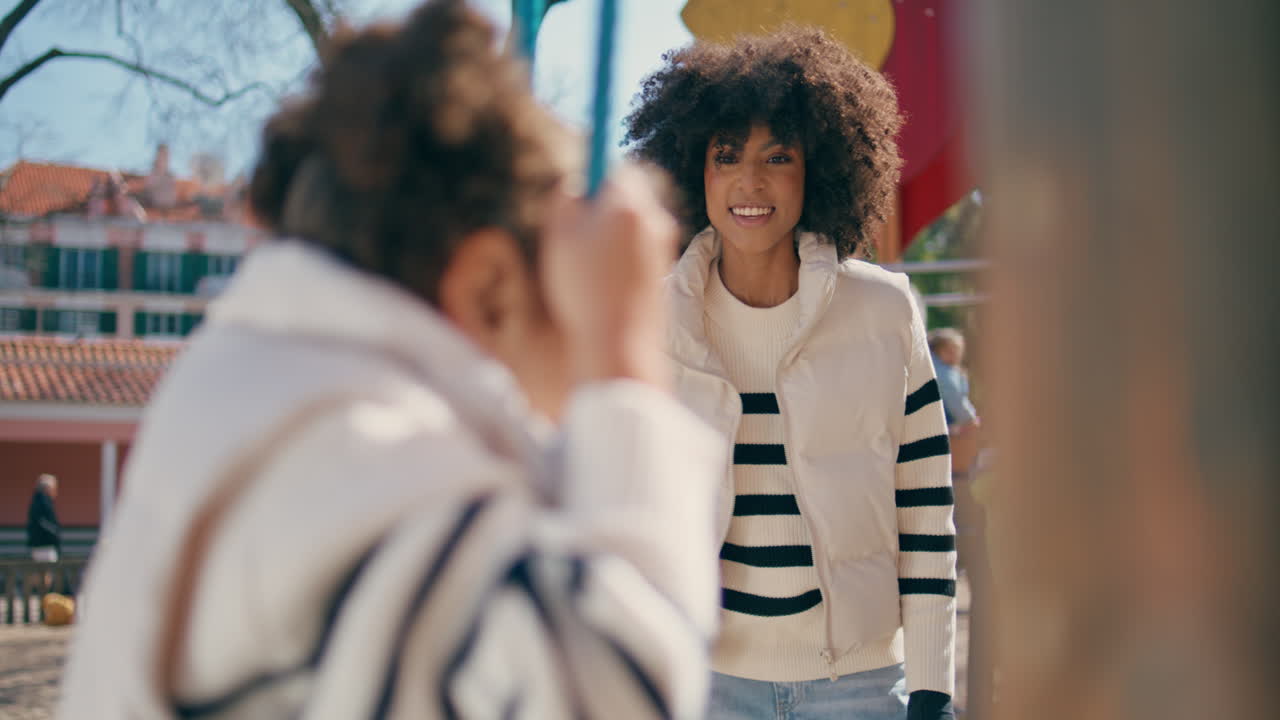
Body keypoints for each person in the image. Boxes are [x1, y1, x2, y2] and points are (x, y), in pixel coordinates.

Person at [59, 2, 723, 718]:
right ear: (488, 286)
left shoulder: (269, 392)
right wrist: (619, 347)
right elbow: (619, 698)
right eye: (562, 276)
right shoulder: (350, 444)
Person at [625, 27, 957, 720]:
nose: (750, 181)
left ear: (820, 170)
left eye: (779, 156)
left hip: (861, 690)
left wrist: (931, 688)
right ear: (694, 172)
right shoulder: (652, 321)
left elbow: (926, 511)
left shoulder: (884, 311)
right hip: (705, 687)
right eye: (726, 156)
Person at [27, 473, 60, 564]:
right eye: (54, 488)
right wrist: (55, 535)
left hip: (40, 544)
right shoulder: (42, 502)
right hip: (44, 545)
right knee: (45, 572)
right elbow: (44, 523)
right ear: (47, 488)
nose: (55, 491)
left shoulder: (38, 500)